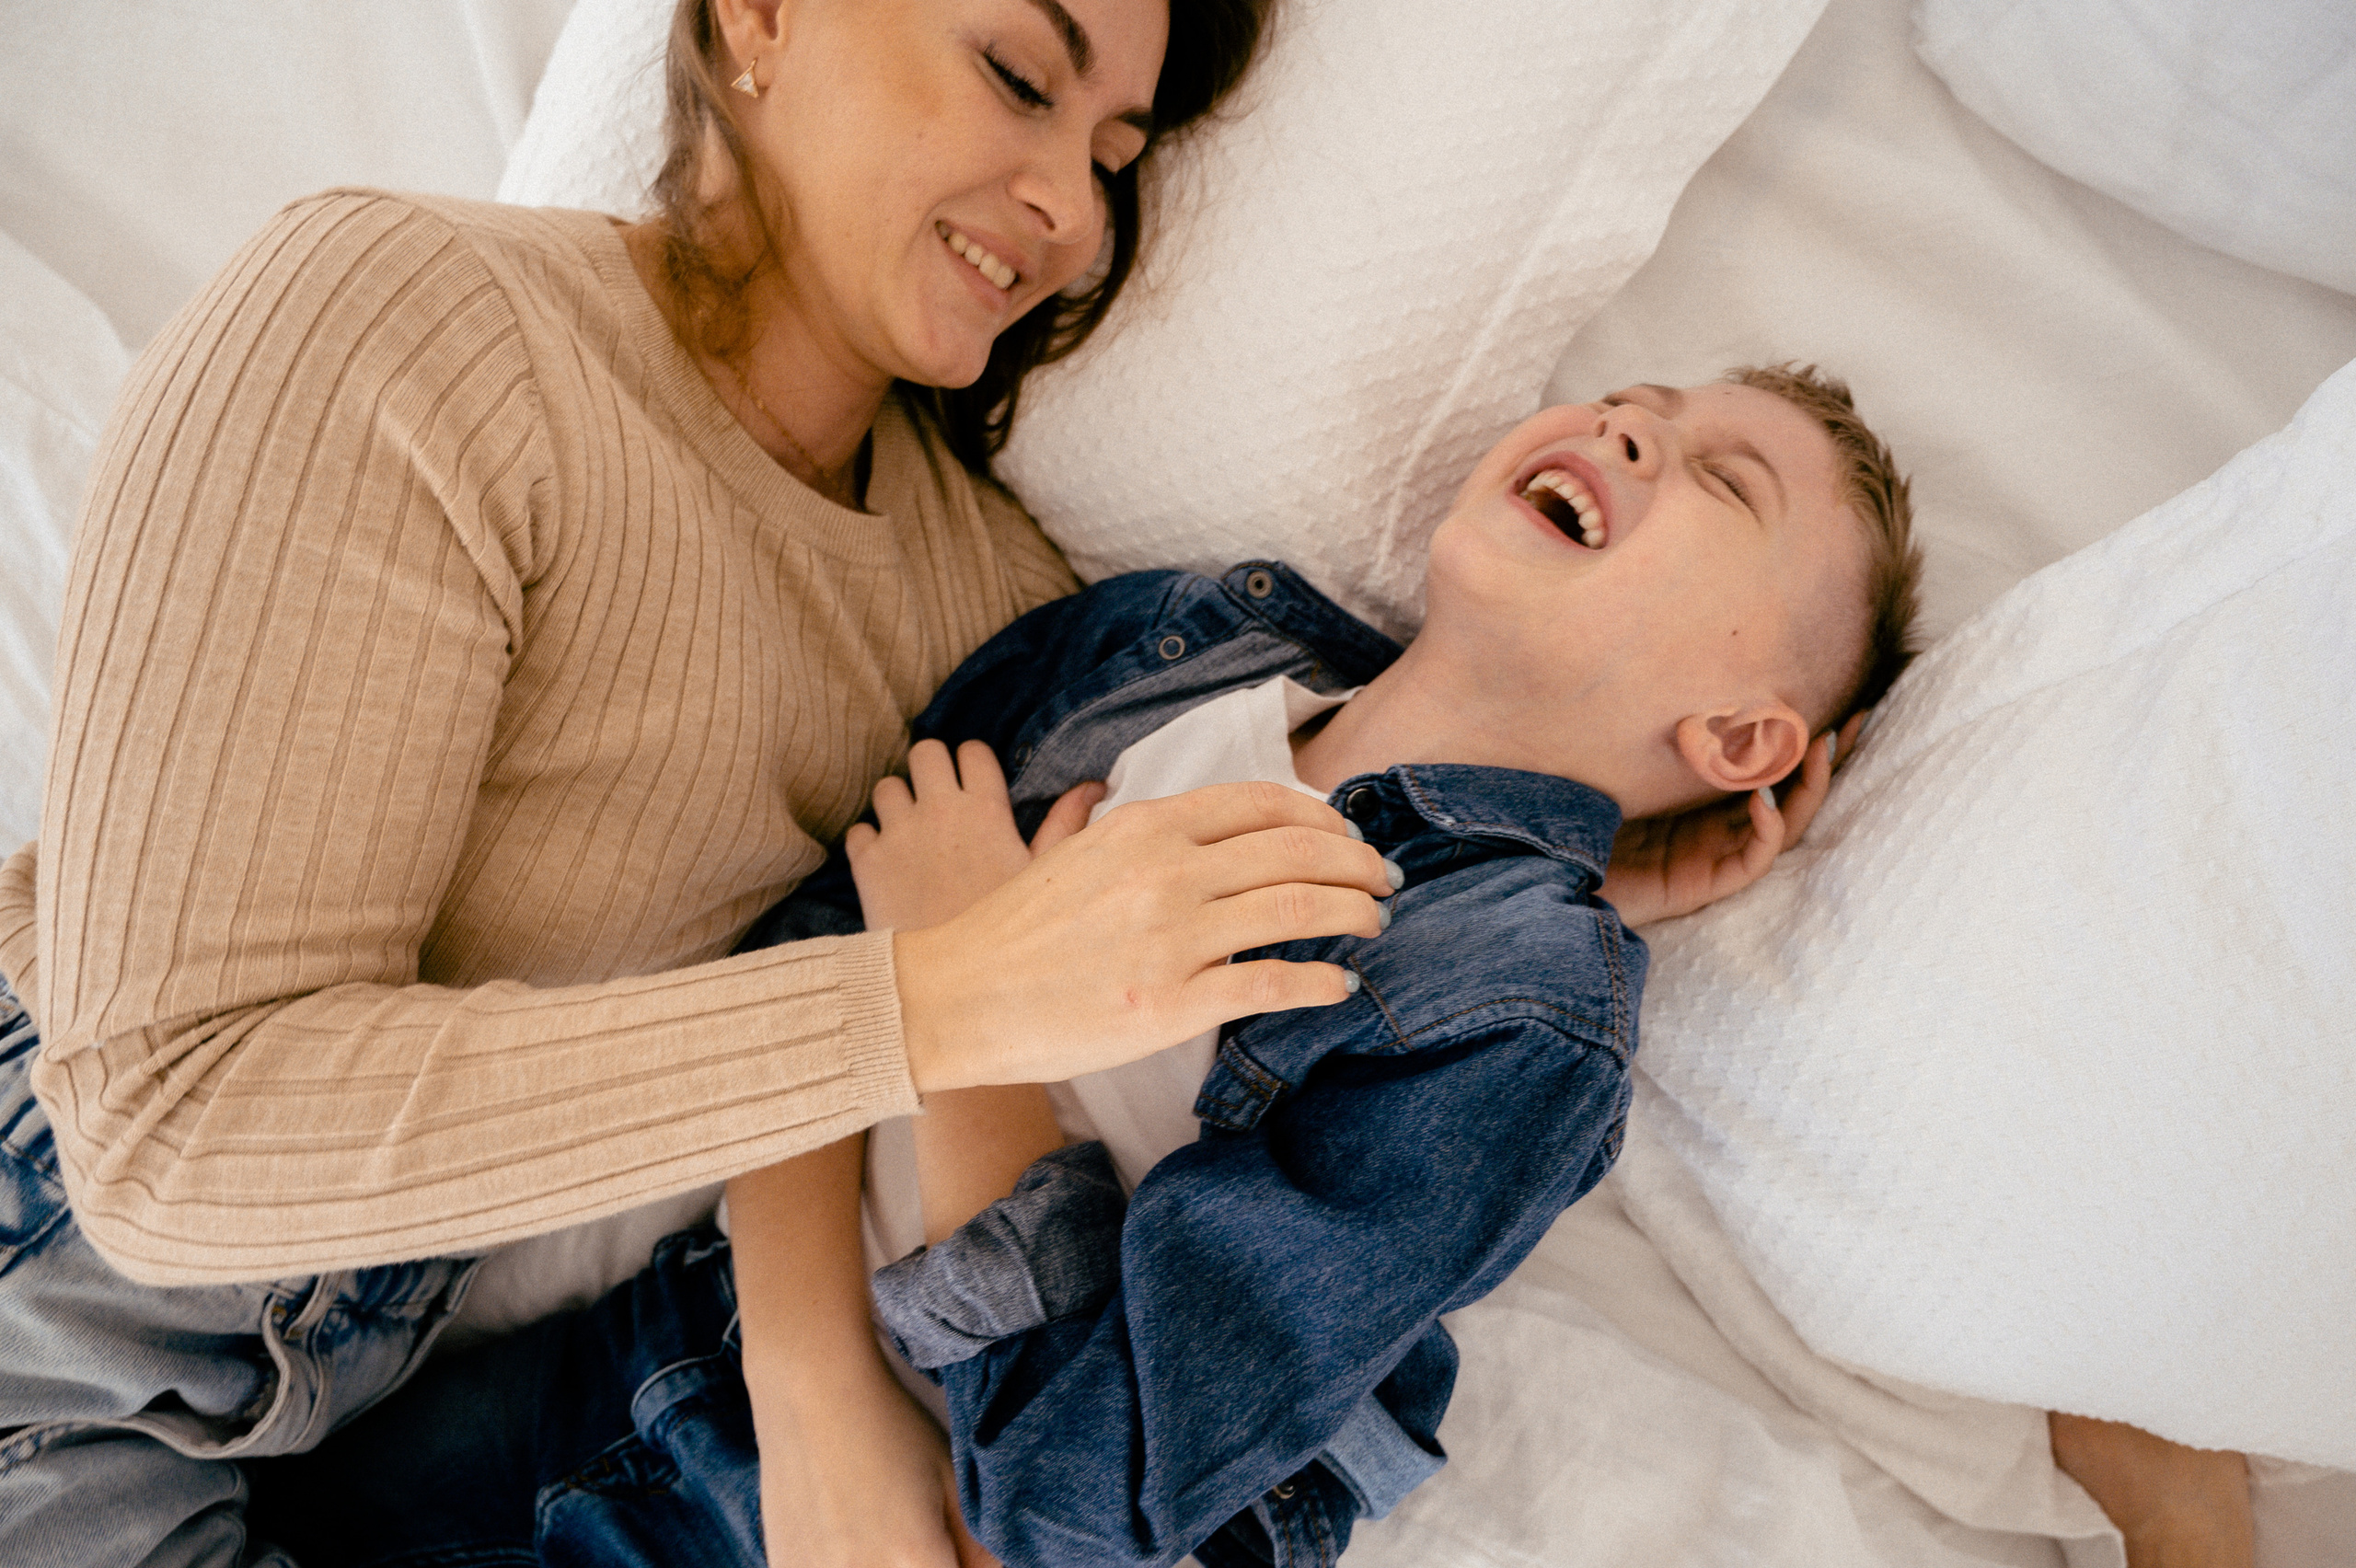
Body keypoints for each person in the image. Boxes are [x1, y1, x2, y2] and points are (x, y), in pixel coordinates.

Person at [0, 1, 1432, 1563]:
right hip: (58, 1287)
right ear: (760, 16)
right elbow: (168, 1134)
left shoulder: (989, 609)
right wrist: (944, 999)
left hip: (372, 1411)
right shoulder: (405, 321)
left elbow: (1243, 803)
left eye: (1112, 158)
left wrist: (1562, 819)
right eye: (1019, 76)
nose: (1077, 217)